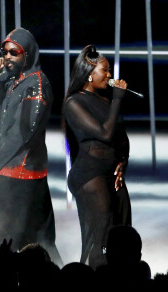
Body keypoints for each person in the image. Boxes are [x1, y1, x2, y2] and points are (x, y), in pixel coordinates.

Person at [0, 27, 62, 266]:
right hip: (24, 175)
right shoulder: (14, 80)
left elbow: (22, 134)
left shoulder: (36, 86)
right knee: (40, 243)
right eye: (5, 52)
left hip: (19, 176)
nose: (8, 57)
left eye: (14, 53)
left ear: (28, 55)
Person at [62, 44, 132, 270]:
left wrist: (123, 163)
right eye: (106, 70)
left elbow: (121, 136)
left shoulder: (105, 99)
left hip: (110, 172)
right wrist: (118, 100)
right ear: (90, 74)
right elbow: (104, 133)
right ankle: (97, 277)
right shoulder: (74, 102)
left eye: (109, 70)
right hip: (89, 174)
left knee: (122, 228)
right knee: (101, 232)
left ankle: (120, 273)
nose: (110, 76)